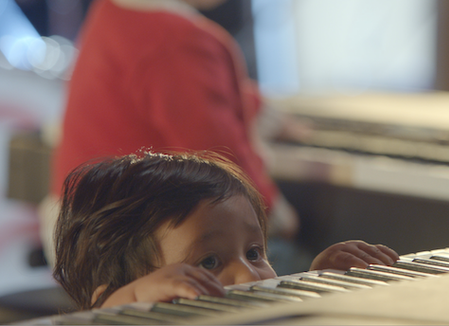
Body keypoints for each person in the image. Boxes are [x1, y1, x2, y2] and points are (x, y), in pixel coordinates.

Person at [40, 0, 309, 268]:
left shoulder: (117, 12)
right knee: (309, 262)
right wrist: (278, 214)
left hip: (88, 238)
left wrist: (255, 106)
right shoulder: (177, 40)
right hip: (137, 253)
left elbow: (172, 87)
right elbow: (226, 170)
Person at [52, 150, 399, 310]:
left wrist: (319, 286)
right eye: (209, 263)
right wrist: (128, 302)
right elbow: (104, 313)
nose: (249, 275)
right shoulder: (126, 307)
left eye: (254, 252)